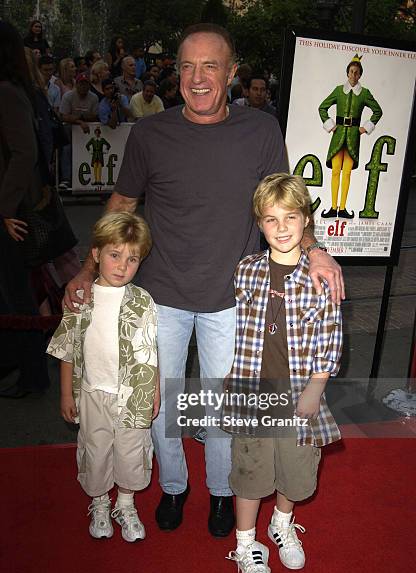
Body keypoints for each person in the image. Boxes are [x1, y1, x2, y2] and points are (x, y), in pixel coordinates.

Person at [64, 23, 344, 539]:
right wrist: (86, 269)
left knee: (221, 407)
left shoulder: (261, 130)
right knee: (161, 405)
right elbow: (122, 206)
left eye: (210, 66)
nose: (197, 77)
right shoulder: (149, 134)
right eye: (187, 66)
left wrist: (317, 251)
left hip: (231, 299)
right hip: (161, 297)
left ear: (232, 73)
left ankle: (220, 491)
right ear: (177, 73)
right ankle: (174, 486)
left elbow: (285, 205)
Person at [223, 173, 342, 573]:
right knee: (250, 469)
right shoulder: (246, 271)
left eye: (291, 216)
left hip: (298, 398)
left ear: (305, 219)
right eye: (271, 219)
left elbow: (331, 333)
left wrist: (317, 384)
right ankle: (245, 543)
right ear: (259, 223)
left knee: (295, 471)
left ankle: (282, 522)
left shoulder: (319, 276)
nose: (283, 227)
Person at [47, 212, 159, 541]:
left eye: (132, 258)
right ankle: (99, 502)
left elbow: (150, 349)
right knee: (95, 450)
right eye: (114, 255)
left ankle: (125, 503)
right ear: (96, 254)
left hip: (133, 392)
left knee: (130, 450)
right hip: (93, 392)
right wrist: (67, 394)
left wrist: (153, 391)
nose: (123, 265)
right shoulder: (81, 297)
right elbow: (67, 348)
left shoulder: (143, 302)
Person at [0, 21, 50, 398]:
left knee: (16, 294)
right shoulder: (14, 90)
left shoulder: (7, 91)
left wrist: (3, 208)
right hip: (10, 209)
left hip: (10, 215)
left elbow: (25, 154)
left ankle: (33, 374)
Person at [318, 55, 383, 219]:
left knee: (346, 173)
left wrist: (365, 128)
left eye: (357, 72)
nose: (353, 75)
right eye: (351, 72)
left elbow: (378, 111)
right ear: (347, 73)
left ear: (360, 75)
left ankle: (343, 208)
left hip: (353, 137)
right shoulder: (339, 91)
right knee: (335, 172)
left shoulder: (364, 93)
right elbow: (322, 108)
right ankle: (333, 207)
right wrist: (331, 125)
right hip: (338, 135)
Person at [59, 72, 99, 189]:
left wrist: (78, 117)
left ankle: (92, 178)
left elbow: (95, 116)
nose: (83, 87)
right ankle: (66, 179)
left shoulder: (94, 97)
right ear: (76, 84)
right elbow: (63, 116)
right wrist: (80, 121)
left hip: (88, 131)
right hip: (70, 130)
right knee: (67, 149)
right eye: (81, 84)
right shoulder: (68, 96)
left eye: (86, 84)